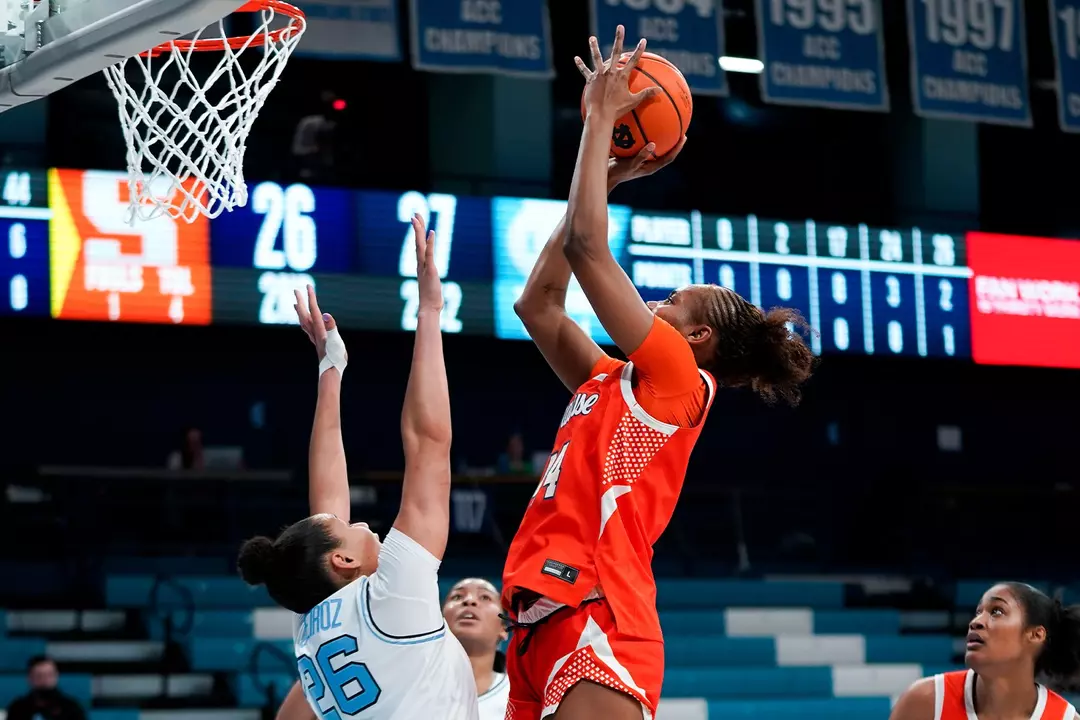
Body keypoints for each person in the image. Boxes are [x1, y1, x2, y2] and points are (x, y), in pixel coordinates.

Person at [501, 26, 815, 720]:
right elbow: (539, 305)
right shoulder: (612, 382)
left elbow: (588, 246)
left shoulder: (679, 376)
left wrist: (602, 128)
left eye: (671, 301)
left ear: (697, 336)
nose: (653, 300)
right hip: (537, 616)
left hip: (598, 610)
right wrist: (610, 172)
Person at [238, 215, 479, 719]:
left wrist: (331, 370)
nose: (356, 520)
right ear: (341, 562)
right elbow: (427, 444)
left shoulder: (317, 622)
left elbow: (328, 503)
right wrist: (430, 312)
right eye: (345, 528)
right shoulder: (386, 599)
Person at [890, 582, 1080, 720]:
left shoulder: (1063, 717)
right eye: (978, 612)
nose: (976, 622)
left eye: (997, 611)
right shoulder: (926, 701)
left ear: (1036, 635)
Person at [443, 578, 511, 720]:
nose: (469, 601)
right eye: (457, 596)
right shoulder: (412, 687)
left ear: (503, 628)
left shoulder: (517, 696)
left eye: (485, 597)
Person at [4, 655, 86, 720]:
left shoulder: (71, 708)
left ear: (56, 676)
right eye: (39, 676)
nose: (45, 680)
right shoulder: (18, 708)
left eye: (50, 675)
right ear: (30, 678)